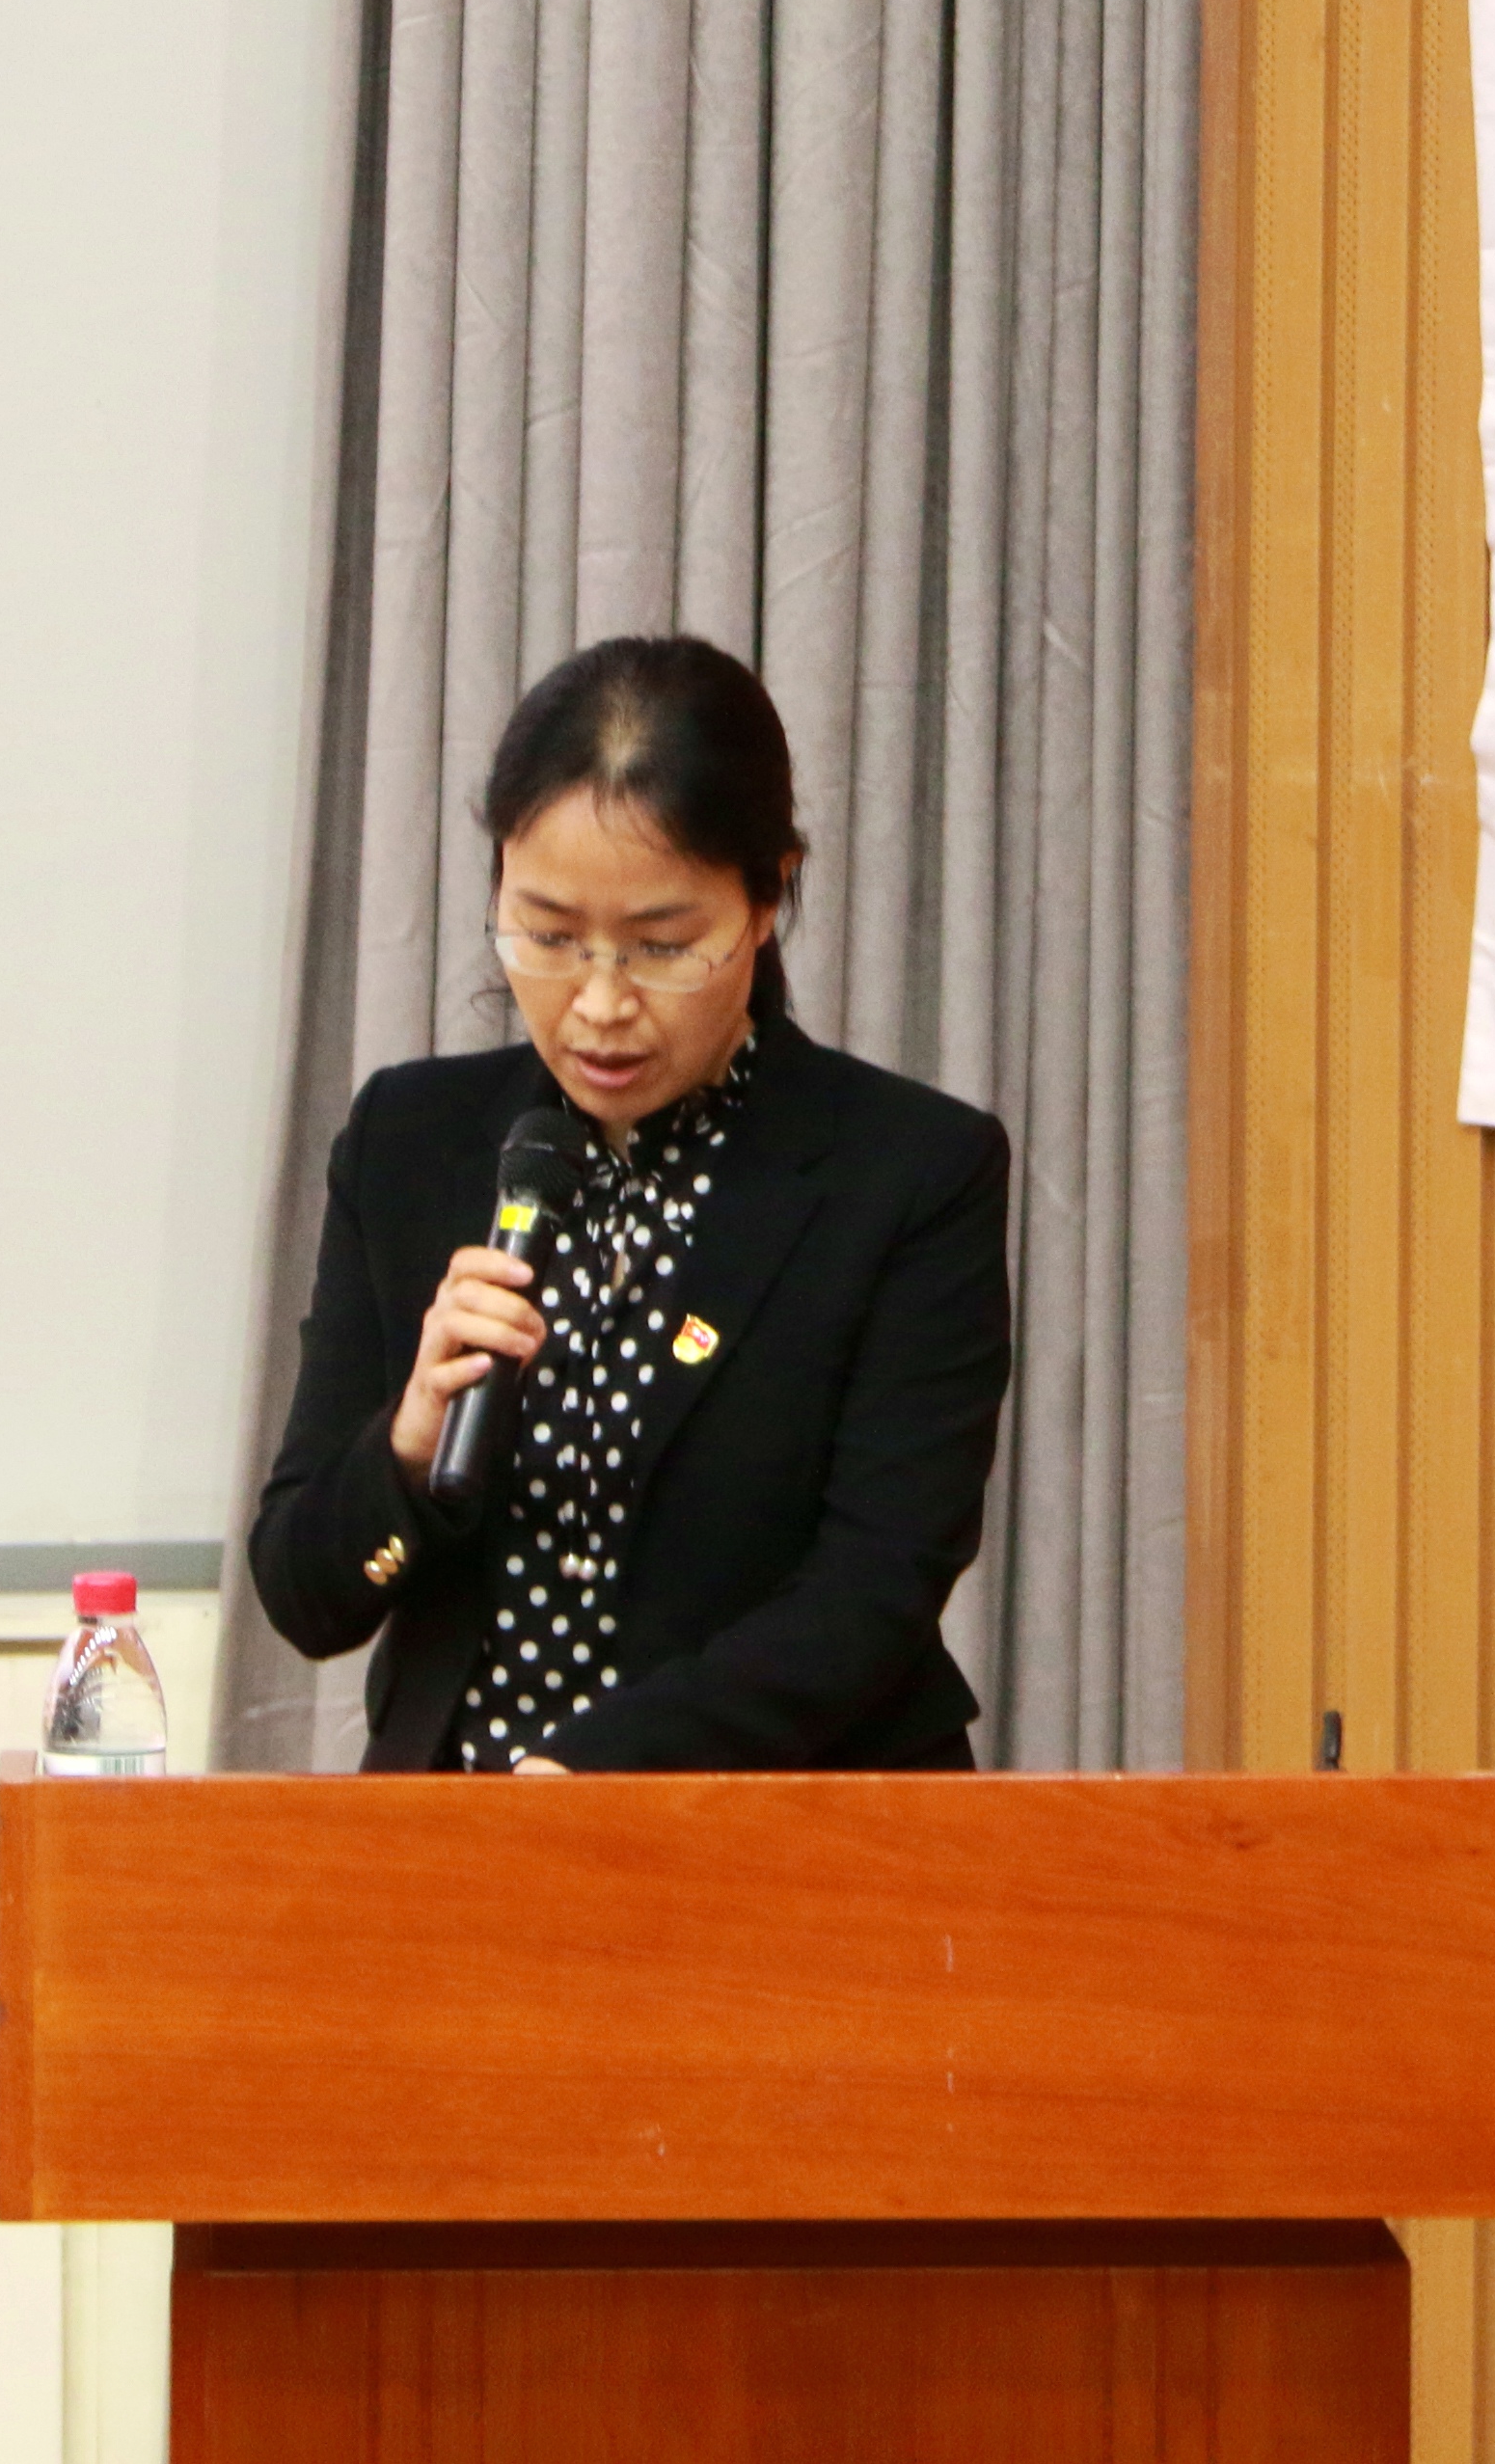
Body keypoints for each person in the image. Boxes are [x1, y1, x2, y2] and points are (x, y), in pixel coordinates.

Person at [246, 636, 1010, 1771]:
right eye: (549, 937)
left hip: (780, 1835)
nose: (598, 1004)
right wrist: (403, 1447)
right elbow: (306, 1594)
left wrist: (589, 1781)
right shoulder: (410, 1141)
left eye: (661, 946)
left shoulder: (907, 1172)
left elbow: (871, 1592)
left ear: (767, 896)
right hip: (463, 1836)